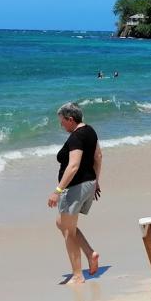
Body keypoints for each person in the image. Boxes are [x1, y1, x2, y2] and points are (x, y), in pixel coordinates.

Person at [47, 102, 102, 284]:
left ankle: (78, 276)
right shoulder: (90, 130)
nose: (61, 125)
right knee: (61, 223)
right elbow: (98, 157)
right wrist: (96, 182)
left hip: (76, 187)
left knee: (68, 231)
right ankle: (90, 253)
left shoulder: (76, 138)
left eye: (62, 121)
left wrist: (57, 191)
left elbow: (73, 166)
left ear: (70, 119)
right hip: (89, 184)